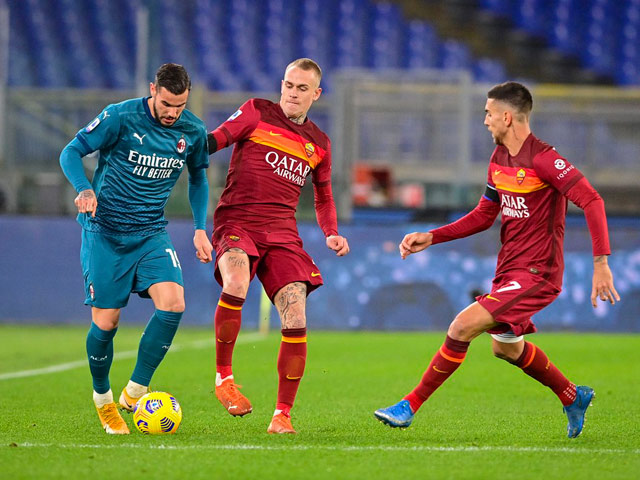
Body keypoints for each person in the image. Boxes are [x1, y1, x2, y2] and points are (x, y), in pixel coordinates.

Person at [374, 81, 620, 438]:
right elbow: (483, 215)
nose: (485, 120)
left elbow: (592, 200)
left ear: (507, 116)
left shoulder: (544, 159)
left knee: (461, 326)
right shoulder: (499, 159)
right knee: (506, 349)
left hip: (539, 273)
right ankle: (572, 395)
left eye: (489, 113)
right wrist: (433, 236)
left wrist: (601, 263)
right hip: (509, 272)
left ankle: (408, 406)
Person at [59, 63, 213, 434]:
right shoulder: (120, 116)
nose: (172, 113)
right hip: (105, 232)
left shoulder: (192, 131)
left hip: (150, 233)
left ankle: (136, 390)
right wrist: (84, 188)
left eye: (180, 105)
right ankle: (103, 400)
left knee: (174, 303)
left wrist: (198, 229)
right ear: (152, 90)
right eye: (166, 104)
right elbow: (70, 152)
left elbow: (199, 179)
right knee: (106, 323)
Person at [206, 58, 349, 434]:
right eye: (288, 84)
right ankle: (224, 379)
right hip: (238, 222)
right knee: (235, 282)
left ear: (316, 94)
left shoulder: (319, 143)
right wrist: (186, 145)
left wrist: (331, 231)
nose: (292, 93)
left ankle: (281, 415)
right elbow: (217, 139)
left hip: (283, 234)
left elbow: (323, 196)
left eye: (302, 88)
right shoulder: (257, 112)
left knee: (297, 318)